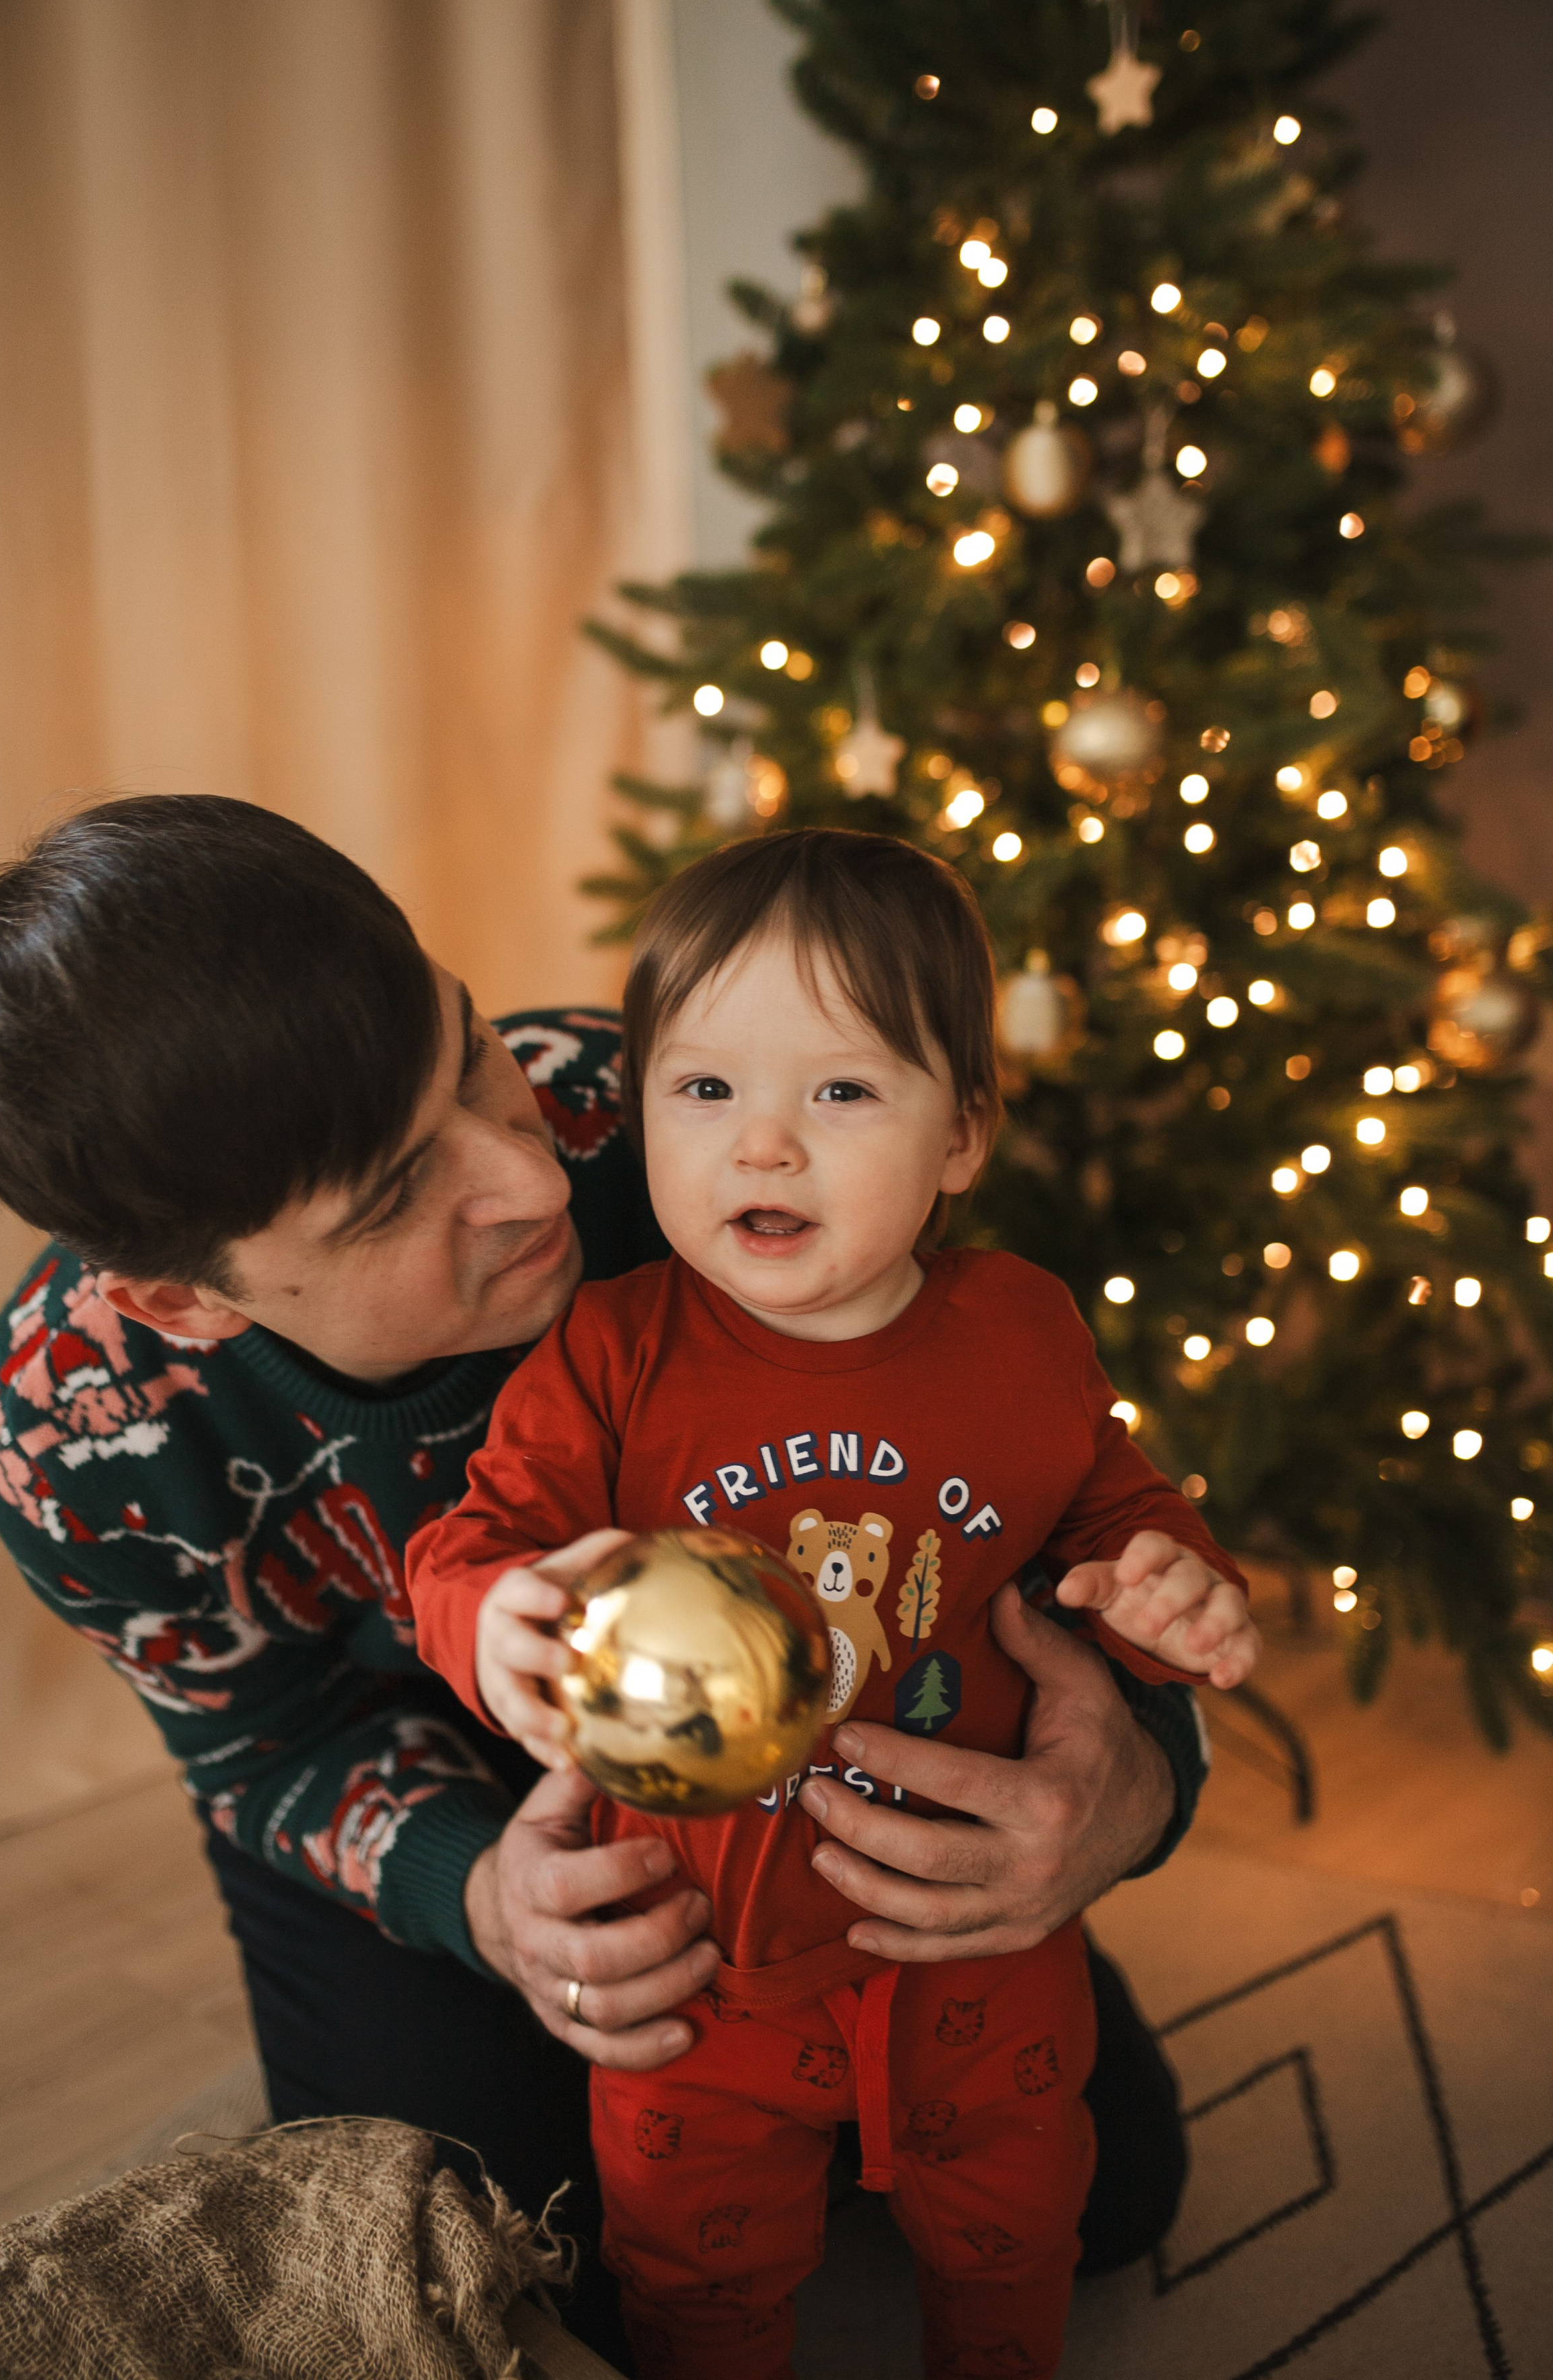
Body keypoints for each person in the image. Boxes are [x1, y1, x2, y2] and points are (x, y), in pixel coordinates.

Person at [0, 795, 1208, 2362]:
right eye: (394, 1193)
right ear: (185, 1303)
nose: (526, 1181)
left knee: (1111, 2189)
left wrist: (1134, 1777)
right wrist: (480, 1893)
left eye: (467, 1053)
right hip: (412, 1774)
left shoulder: (666, 1113)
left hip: (806, 1735)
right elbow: (260, 1742)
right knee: (504, 2269)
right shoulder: (71, 1429)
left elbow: (994, 1470)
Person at [409, 831, 1256, 2380]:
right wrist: (499, 1620)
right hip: (701, 1961)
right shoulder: (610, 1350)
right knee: (688, 2267)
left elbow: (1108, 1514)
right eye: (705, 1089)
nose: (763, 1147)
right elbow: (473, 1550)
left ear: (960, 1136)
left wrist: (1165, 1590)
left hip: (977, 1941)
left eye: (843, 1092)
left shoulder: (1018, 1328)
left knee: (1012, 2234)